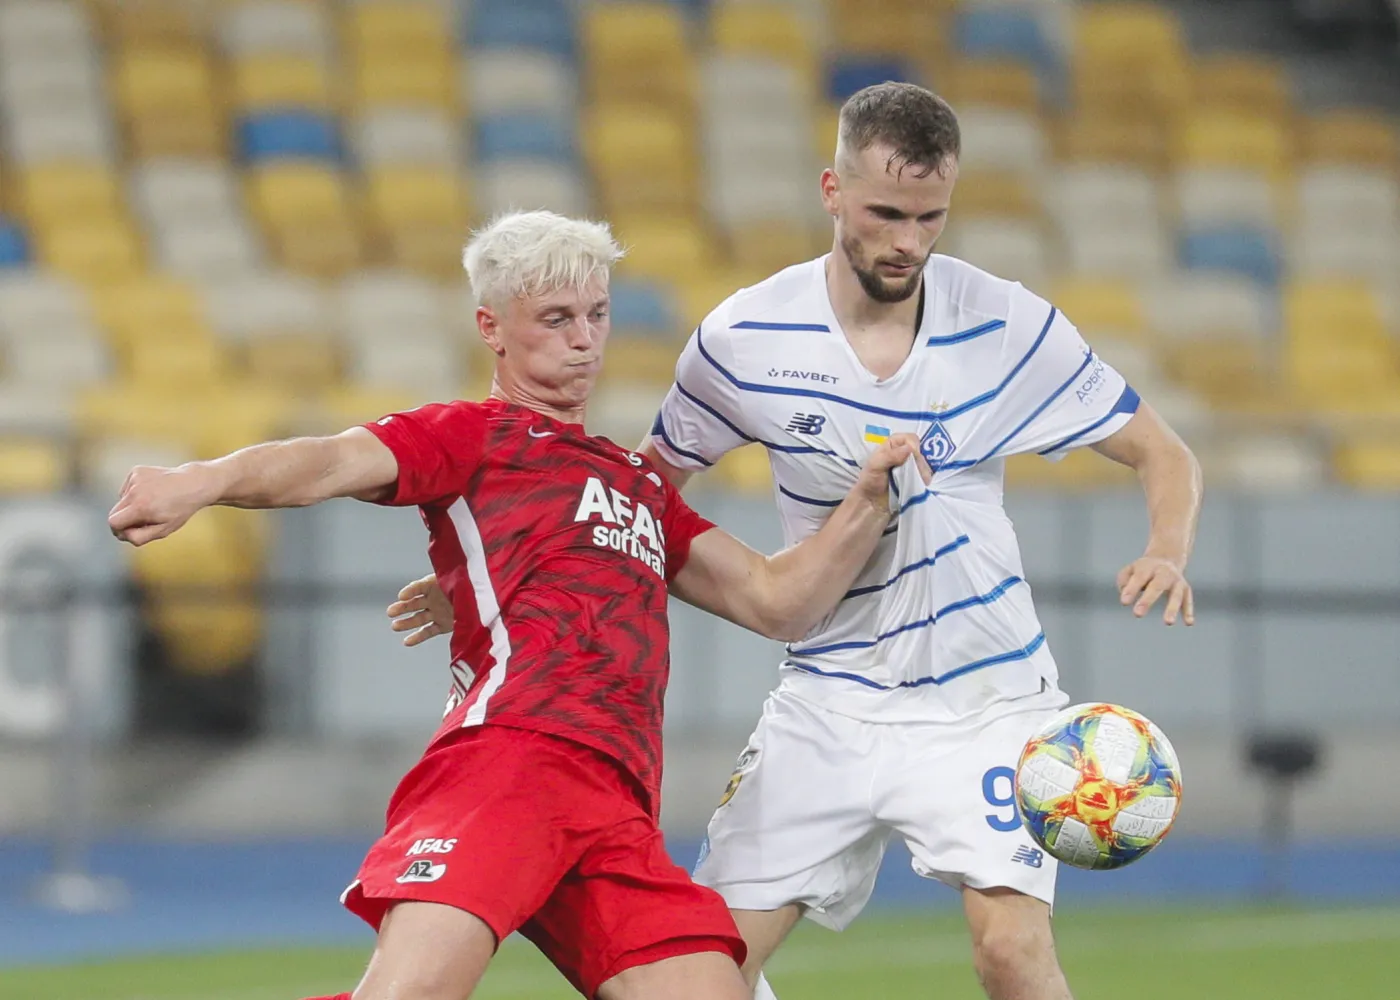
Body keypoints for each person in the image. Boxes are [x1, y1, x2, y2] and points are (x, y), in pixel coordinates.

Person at [391, 84, 1204, 1000]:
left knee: (1010, 952)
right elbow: (634, 491)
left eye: (930, 217)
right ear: (831, 191)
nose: (908, 240)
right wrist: (499, 561)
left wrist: (1166, 546)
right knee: (703, 966)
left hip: (988, 698)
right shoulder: (743, 338)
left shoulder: (1008, 324)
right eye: (886, 213)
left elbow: (1161, 451)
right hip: (829, 698)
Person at [106, 210, 932, 1000]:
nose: (583, 338)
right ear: (492, 327)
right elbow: (325, 462)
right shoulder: (473, 436)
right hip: (512, 763)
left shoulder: (639, 486)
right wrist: (202, 480)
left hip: (618, 802)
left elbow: (776, 600)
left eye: (598, 314)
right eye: (556, 317)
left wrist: (868, 500)